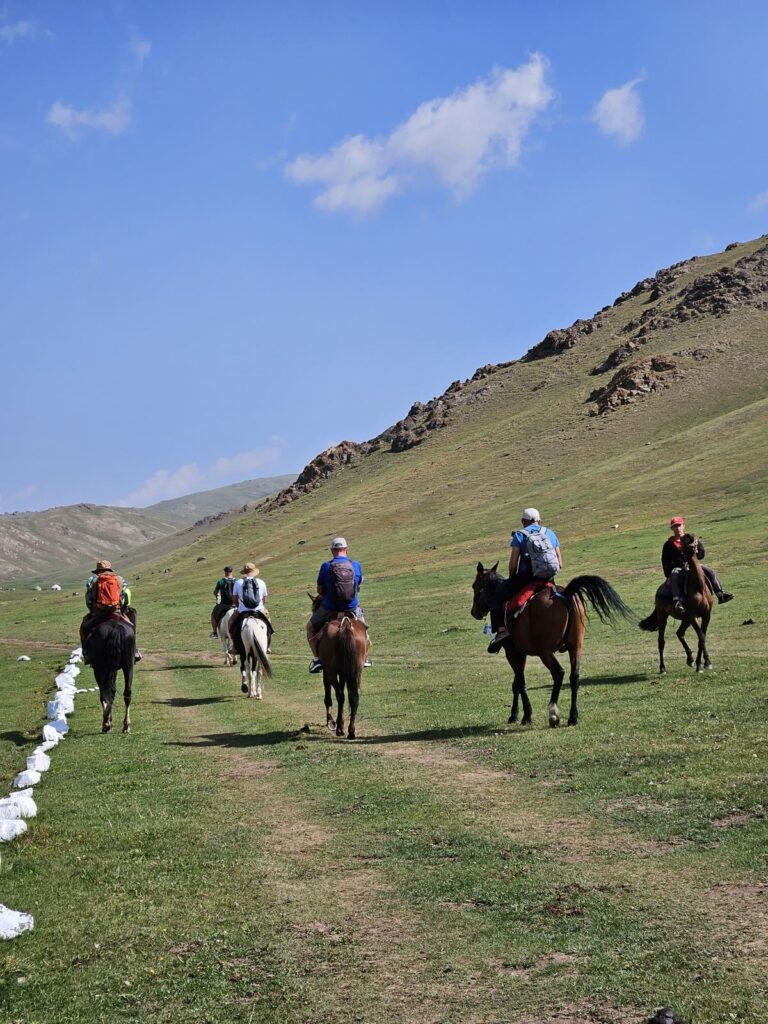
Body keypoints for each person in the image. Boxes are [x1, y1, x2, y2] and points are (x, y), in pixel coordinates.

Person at [486, 508, 562, 653]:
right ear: (539, 521)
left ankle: (501, 631)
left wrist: (511, 578)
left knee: (497, 597)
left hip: (526, 579)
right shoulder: (550, 533)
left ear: (523, 521)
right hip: (549, 579)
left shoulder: (520, 535)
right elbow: (560, 563)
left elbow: (513, 564)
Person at [307, 537, 371, 674]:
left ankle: (317, 659)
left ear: (332, 551)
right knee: (364, 630)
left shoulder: (326, 566)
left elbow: (320, 589)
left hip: (330, 607)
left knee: (310, 628)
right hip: (352, 607)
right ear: (346, 550)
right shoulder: (355, 565)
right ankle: (364, 657)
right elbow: (357, 585)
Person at [662, 516, 733, 614]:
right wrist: (668, 574)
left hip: (693, 565)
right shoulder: (668, 544)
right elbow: (665, 561)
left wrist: (695, 551)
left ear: (683, 526)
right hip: (679, 568)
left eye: (679, 525)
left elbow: (701, 554)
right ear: (672, 529)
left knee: (710, 571)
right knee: (674, 574)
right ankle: (677, 601)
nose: (677, 528)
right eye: (675, 526)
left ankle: (720, 594)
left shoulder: (691, 539)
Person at [80, 560, 142, 664]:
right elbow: (124, 596)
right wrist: (120, 607)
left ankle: (87, 654)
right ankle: (134, 650)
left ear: (98, 570)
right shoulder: (119, 579)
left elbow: (88, 599)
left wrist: (92, 610)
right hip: (116, 612)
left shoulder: (92, 580)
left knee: (83, 628)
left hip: (98, 613)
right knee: (131, 626)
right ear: (109, 569)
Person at [228, 563, 268, 661]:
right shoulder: (261, 582)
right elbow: (264, 599)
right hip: (258, 611)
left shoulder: (238, 582)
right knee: (268, 623)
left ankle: (234, 646)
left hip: (242, 611)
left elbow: (235, 599)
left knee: (230, 623)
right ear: (254, 571)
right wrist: (259, 607)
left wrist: (240, 606)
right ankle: (268, 645)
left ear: (244, 572)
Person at [210, 566, 236, 638]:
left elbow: (215, 592)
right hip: (235, 605)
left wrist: (217, 595)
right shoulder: (237, 581)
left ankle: (215, 633)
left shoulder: (220, 582)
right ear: (232, 572)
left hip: (224, 605)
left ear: (225, 572)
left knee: (213, 615)